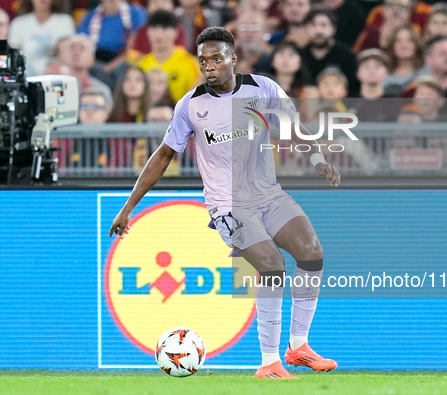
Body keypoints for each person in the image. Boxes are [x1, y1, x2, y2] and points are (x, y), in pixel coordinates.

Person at [109, 26, 340, 379]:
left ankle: (299, 347)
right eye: (203, 61)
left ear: (233, 58)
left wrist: (318, 161)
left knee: (312, 252)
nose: (209, 66)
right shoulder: (190, 104)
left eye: (216, 59)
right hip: (228, 205)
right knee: (272, 265)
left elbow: (295, 128)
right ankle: (269, 362)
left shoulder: (264, 88)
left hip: (268, 194)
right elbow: (163, 156)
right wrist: (128, 206)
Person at [127, 10, 201, 104]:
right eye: (154, 28)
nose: (159, 34)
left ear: (176, 32)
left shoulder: (189, 63)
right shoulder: (142, 64)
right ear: (147, 32)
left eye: (164, 28)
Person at [300, 7, 359, 96]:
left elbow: (354, 89)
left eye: (323, 25)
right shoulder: (301, 55)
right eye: (313, 25)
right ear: (306, 29)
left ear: (333, 29)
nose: (318, 30)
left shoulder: (346, 55)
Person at [8, 0, 75, 76]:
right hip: (27, 74)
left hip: (58, 73)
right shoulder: (18, 23)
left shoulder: (65, 22)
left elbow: (69, 54)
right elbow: (14, 54)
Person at [77, 0, 148, 71]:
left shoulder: (137, 14)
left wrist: (108, 68)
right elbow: (82, 45)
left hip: (125, 63)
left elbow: (137, 47)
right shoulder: (89, 17)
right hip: (95, 63)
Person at [382, 24, 428, 97]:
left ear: (416, 45)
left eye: (409, 41)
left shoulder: (427, 70)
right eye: (398, 41)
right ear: (392, 46)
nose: (403, 45)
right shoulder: (382, 72)